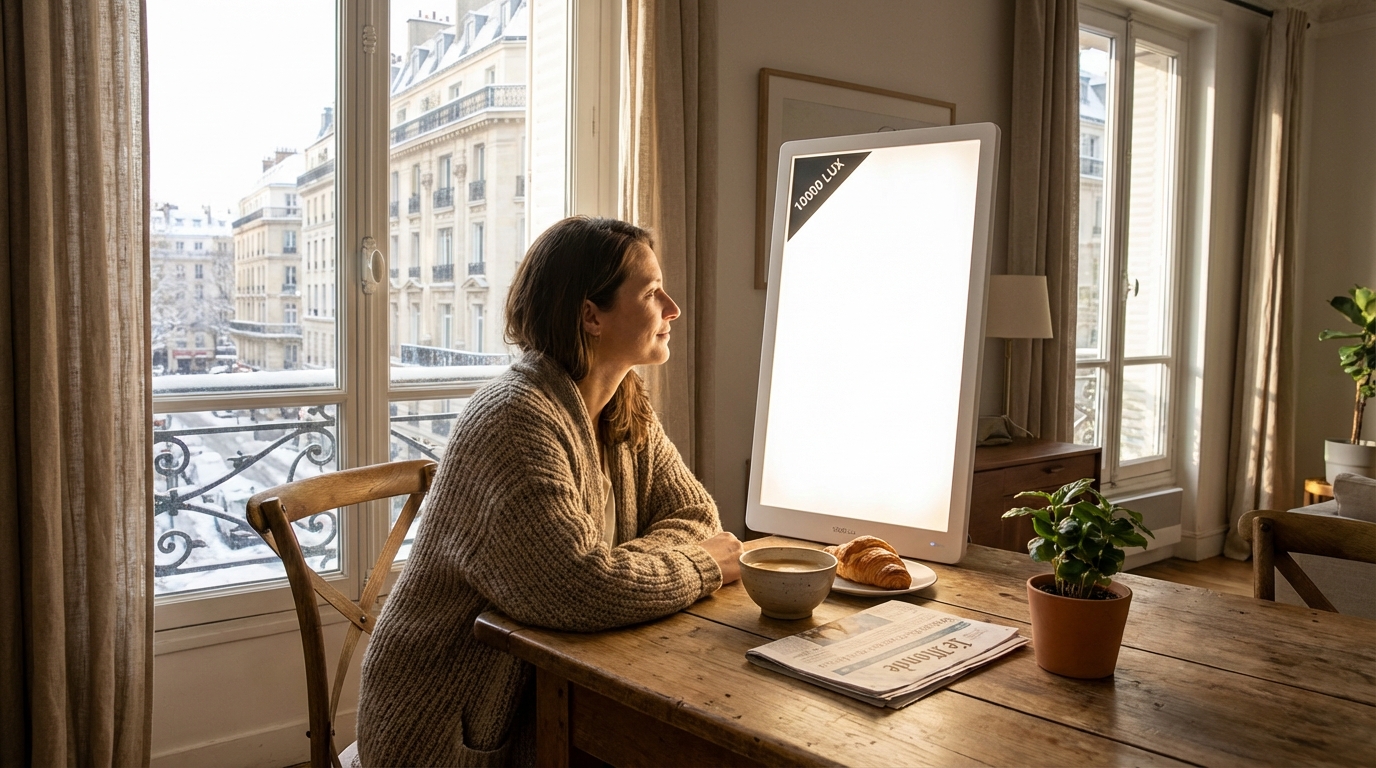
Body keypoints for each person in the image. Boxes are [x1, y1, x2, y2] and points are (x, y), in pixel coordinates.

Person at [357, 216, 743, 767]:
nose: (673, 309)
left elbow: (696, 516)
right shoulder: (515, 420)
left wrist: (617, 570)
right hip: (447, 729)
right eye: (653, 292)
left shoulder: (625, 403)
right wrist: (697, 567)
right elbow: (578, 589)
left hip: (548, 697)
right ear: (591, 315)